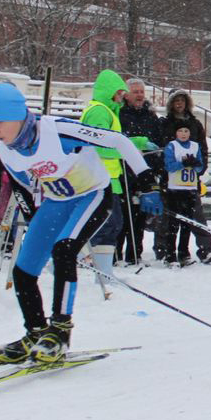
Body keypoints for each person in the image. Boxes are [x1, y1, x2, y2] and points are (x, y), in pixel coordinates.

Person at [0, 82, 162, 364]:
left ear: (18, 115)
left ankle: (60, 332)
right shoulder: (7, 150)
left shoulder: (56, 130)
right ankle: (36, 334)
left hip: (91, 195)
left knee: (64, 250)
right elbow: (22, 188)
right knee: (24, 270)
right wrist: (34, 220)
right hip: (57, 202)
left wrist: (147, 180)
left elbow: (119, 141)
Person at [80, 69, 131, 278]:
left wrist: (136, 143)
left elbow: (113, 140)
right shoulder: (99, 111)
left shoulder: (109, 111)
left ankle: (104, 270)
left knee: (113, 224)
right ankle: (78, 256)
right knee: (106, 223)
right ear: (110, 92)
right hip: (99, 178)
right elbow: (98, 144)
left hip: (110, 178)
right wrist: (127, 151)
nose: (121, 98)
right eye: (119, 93)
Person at [119, 78, 164, 260]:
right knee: (122, 214)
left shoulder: (150, 115)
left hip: (145, 169)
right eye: (135, 92)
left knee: (140, 215)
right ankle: (116, 253)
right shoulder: (120, 113)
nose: (139, 95)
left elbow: (158, 141)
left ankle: (134, 254)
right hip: (124, 169)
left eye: (141, 92)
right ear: (127, 94)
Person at [161, 123, 211, 265]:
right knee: (173, 224)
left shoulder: (195, 146)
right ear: (176, 133)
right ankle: (170, 255)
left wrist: (195, 164)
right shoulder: (172, 146)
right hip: (175, 189)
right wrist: (182, 164)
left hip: (190, 189)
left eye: (186, 131)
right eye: (180, 131)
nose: (184, 134)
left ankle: (184, 253)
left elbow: (200, 167)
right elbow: (169, 166)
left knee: (187, 224)